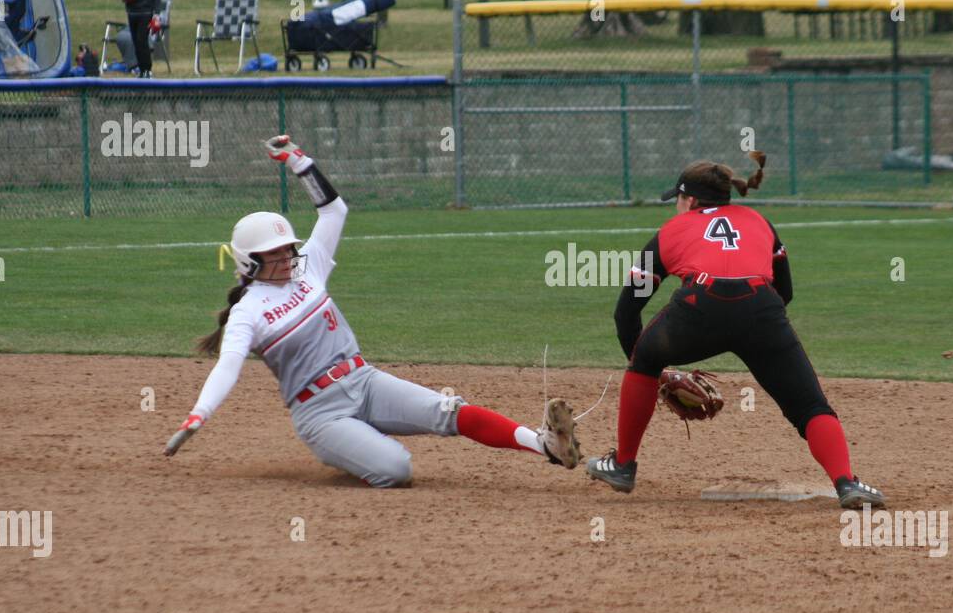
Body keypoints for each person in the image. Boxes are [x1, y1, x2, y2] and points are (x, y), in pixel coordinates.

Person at [165, 135, 581, 486]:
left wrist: (298, 160)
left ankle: (542, 442)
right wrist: (197, 416)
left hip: (365, 381)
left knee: (450, 410)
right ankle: (354, 447)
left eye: (287, 248)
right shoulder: (248, 312)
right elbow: (227, 368)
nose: (287, 257)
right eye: (273, 254)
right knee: (396, 469)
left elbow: (334, 210)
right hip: (320, 413)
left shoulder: (310, 267)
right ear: (248, 262)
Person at [584, 152, 886, 509]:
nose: (676, 205)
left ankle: (622, 465)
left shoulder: (671, 232)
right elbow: (784, 292)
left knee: (643, 360)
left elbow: (626, 312)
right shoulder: (760, 221)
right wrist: (755, 336)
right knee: (808, 404)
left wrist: (657, 372)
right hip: (761, 310)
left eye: (677, 198)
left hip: (698, 307)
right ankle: (847, 483)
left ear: (691, 200)